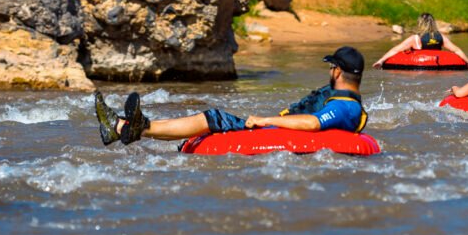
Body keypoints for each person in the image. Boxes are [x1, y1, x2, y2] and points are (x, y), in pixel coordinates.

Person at [94, 46, 368, 146]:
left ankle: (129, 127)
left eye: (331, 67)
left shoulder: (345, 108)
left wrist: (264, 120)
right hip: (279, 132)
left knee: (214, 117)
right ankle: (124, 127)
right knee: (215, 119)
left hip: (275, 133)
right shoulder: (345, 103)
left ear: (338, 71)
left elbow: (312, 124)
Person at [372, 12, 468, 70]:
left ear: (420, 23)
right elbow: (457, 50)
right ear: (433, 23)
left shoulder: (415, 39)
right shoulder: (441, 37)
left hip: (418, 68)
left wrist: (381, 61)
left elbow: (395, 50)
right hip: (437, 68)